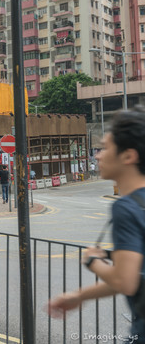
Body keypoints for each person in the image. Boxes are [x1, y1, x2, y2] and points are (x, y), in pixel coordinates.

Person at [47, 108, 145, 340]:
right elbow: (133, 275)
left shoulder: (126, 207)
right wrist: (78, 296)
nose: (98, 156)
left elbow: (125, 281)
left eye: (105, 148)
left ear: (128, 156)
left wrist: (92, 261)